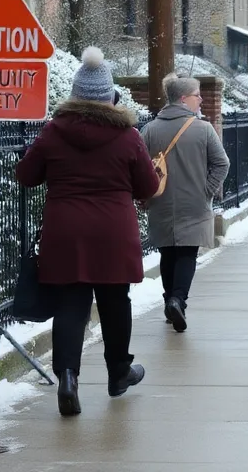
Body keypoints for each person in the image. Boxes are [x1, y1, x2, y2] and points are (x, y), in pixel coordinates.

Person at [15, 46, 160, 417]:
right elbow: (146, 187)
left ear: (75, 95)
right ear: (110, 97)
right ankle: (118, 373)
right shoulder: (127, 136)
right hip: (113, 231)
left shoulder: (53, 132)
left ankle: (67, 377)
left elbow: (27, 177)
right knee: (115, 303)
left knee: (70, 305)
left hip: (65, 230)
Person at [140, 75, 230, 333]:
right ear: (183, 99)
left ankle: (170, 301)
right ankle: (178, 299)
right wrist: (207, 190)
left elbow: (141, 166)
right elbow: (222, 163)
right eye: (196, 95)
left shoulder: (150, 130)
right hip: (195, 203)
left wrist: (146, 193)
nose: (200, 99)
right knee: (187, 254)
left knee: (168, 253)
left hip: (160, 201)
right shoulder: (203, 129)